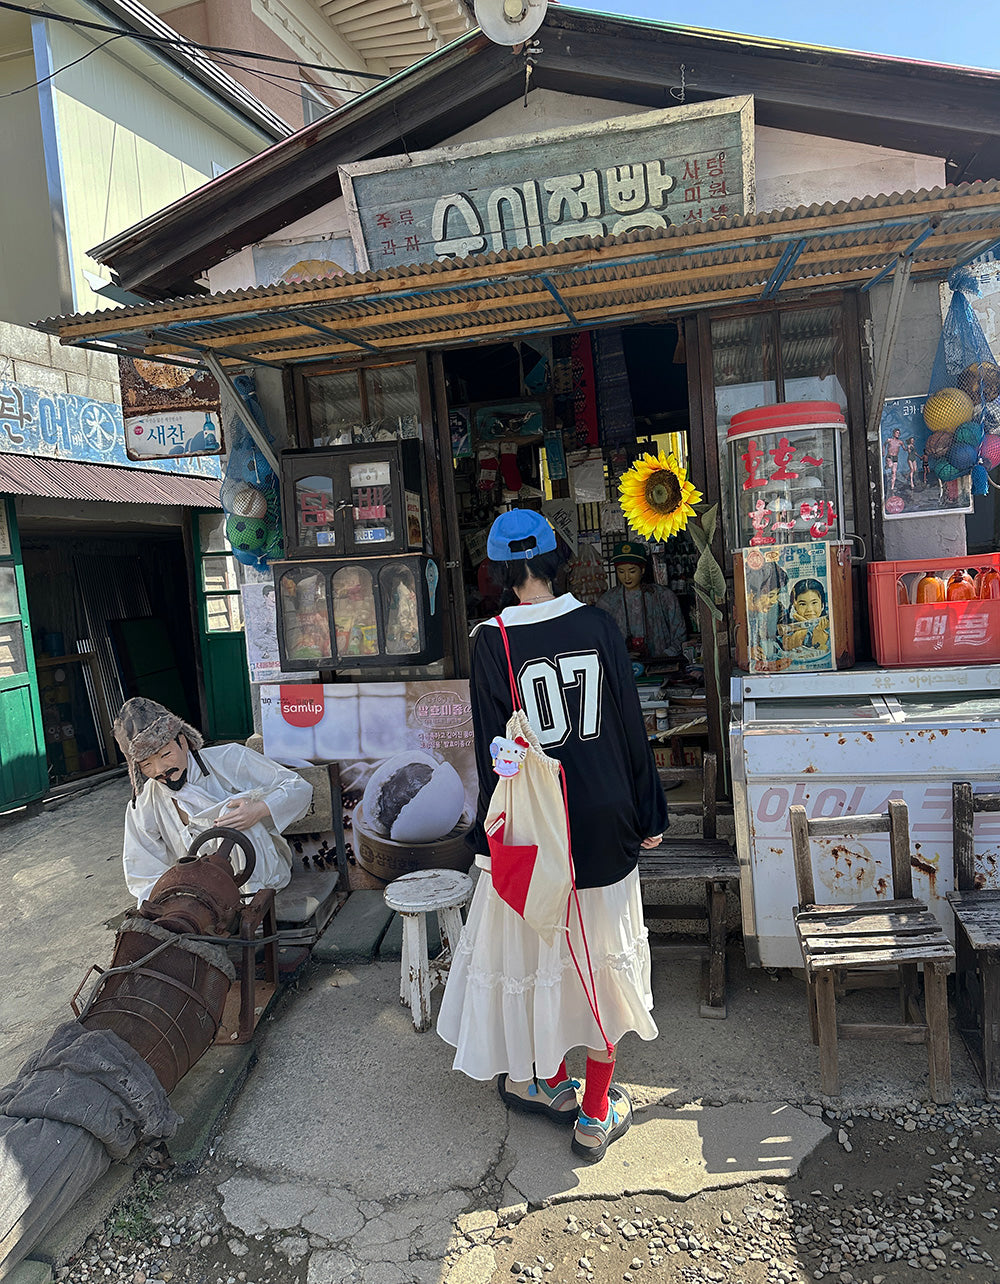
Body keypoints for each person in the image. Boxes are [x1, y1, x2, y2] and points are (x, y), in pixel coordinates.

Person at [438, 510, 669, 1164]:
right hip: (604, 820)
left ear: (503, 572)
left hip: (535, 832)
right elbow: (629, 729)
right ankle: (595, 1113)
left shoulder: (492, 640)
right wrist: (650, 816)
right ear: (558, 558)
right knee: (601, 963)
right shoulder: (598, 624)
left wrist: (491, 843)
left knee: (539, 958)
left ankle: (535, 1078)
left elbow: (494, 755)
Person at [114, 697, 313, 906]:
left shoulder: (229, 758)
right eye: (146, 765)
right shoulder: (145, 802)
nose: (160, 770)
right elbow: (144, 870)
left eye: (166, 754)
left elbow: (298, 787)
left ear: (183, 742)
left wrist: (259, 809)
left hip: (259, 876)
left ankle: (249, 905)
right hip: (198, 895)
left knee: (231, 812)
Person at [595, 541, 686, 660]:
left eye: (632, 571)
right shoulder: (607, 601)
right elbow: (598, 638)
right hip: (624, 667)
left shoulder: (663, 596)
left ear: (642, 570)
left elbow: (680, 634)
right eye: (621, 571)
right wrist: (621, 655)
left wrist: (666, 655)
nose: (626, 577)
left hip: (661, 663)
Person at [781, 578, 830, 652]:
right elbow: (788, 645)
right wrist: (806, 626)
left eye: (814, 603)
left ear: (822, 604)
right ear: (795, 605)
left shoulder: (828, 626)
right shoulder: (789, 628)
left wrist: (818, 631)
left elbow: (821, 646)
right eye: (802, 604)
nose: (809, 609)